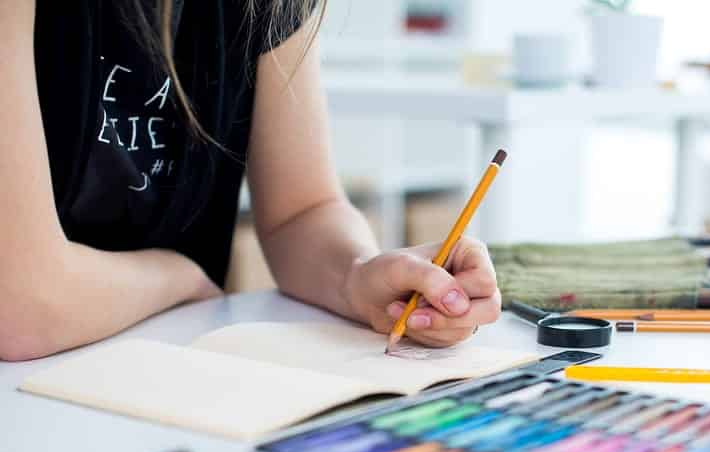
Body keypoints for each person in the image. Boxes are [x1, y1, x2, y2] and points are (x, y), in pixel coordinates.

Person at [0, 0, 501, 362]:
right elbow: (23, 305)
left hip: (160, 369)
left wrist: (361, 277)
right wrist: (177, 278)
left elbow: (302, 210)